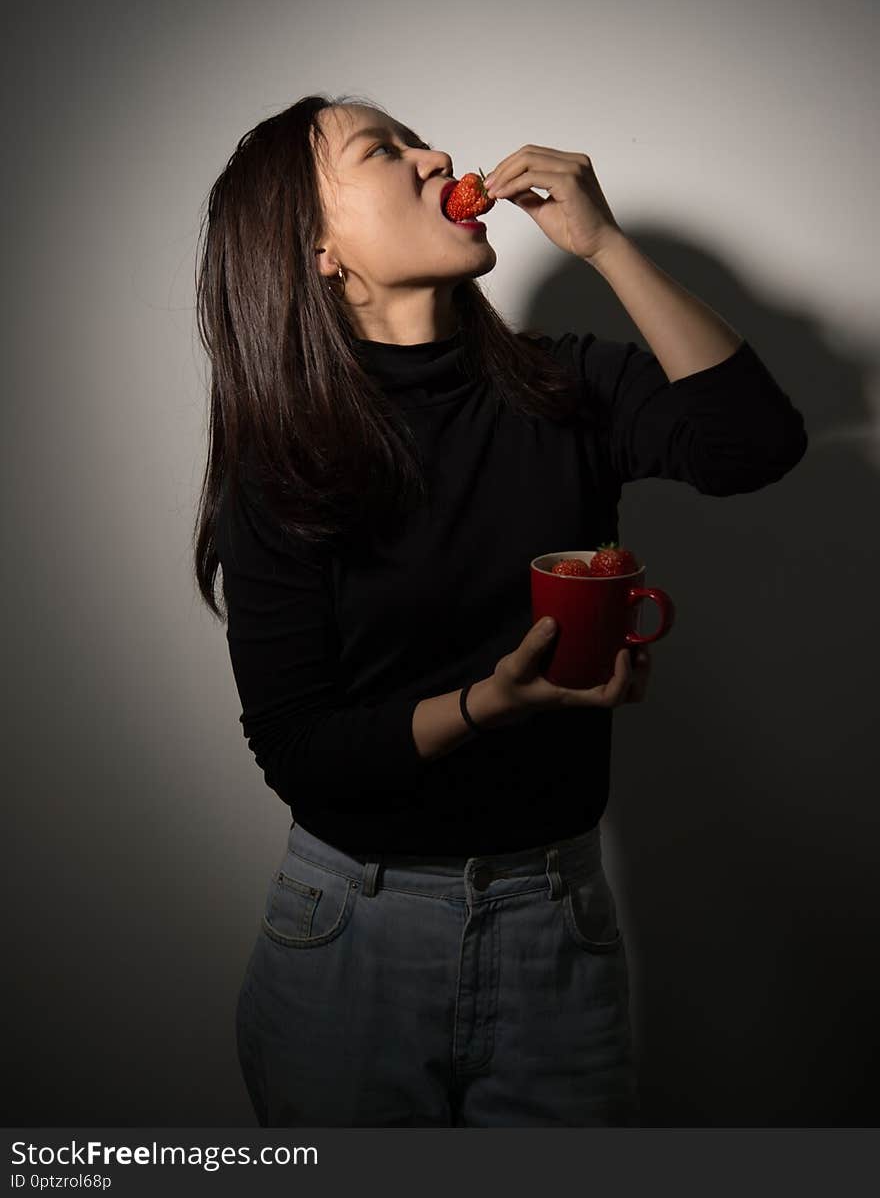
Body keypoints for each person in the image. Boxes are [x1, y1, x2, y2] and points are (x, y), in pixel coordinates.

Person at [193, 92, 808, 1127]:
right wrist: (492, 701)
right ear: (318, 252)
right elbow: (301, 751)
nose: (437, 154)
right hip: (352, 936)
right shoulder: (283, 462)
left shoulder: (567, 387)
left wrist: (605, 243)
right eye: (384, 152)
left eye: (418, 135)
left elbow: (755, 445)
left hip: (554, 929)